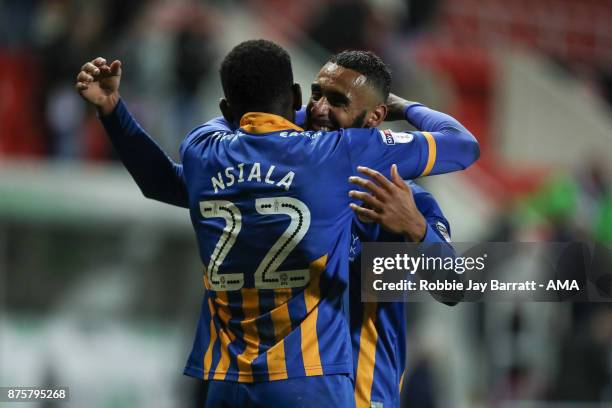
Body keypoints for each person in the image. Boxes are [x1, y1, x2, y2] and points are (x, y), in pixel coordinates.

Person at [76, 40, 476, 407]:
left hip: (362, 394)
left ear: (375, 117)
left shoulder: (406, 200)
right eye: (316, 93)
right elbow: (171, 183)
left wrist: (417, 231)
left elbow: (456, 287)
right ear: (297, 96)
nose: (319, 109)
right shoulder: (294, 172)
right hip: (308, 387)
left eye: (336, 100)